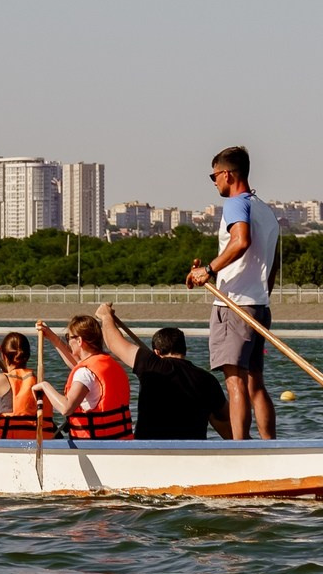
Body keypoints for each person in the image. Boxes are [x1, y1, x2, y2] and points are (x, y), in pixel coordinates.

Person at [186, 144, 280, 439]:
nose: (214, 183)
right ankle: (268, 445)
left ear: (227, 174)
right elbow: (273, 262)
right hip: (258, 306)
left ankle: (240, 448)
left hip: (234, 306)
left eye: (213, 177)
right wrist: (262, 296)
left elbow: (241, 241)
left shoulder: (237, 204)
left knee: (235, 383)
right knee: (256, 384)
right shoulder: (265, 210)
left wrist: (209, 270)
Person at [94, 301, 228, 440]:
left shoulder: (151, 364)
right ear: (184, 349)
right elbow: (225, 416)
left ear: (156, 352)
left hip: (150, 448)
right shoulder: (208, 379)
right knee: (213, 412)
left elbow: (113, 342)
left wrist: (105, 316)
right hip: (192, 451)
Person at [33, 314, 132, 441]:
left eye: (68, 337)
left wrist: (44, 386)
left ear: (79, 341)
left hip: (95, 445)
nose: (68, 341)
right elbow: (76, 363)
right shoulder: (108, 363)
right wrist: (51, 336)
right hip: (120, 440)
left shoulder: (85, 373)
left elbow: (66, 408)